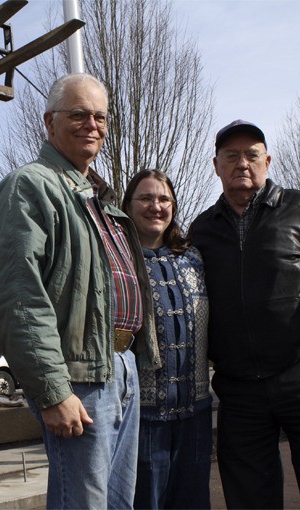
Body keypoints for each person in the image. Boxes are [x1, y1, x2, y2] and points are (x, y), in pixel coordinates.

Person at [0, 73, 161, 510]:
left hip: (120, 370)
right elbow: (18, 299)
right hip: (78, 380)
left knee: (118, 502)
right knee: (83, 503)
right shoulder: (30, 186)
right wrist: (52, 392)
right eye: (78, 114)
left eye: (100, 116)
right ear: (49, 122)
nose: (92, 124)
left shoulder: (99, 199)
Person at [189, 119, 300, 509]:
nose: (242, 163)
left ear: (267, 161)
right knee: (249, 499)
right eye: (231, 156)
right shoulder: (201, 231)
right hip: (240, 390)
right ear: (216, 165)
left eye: (252, 155)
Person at [122, 170, 212, 509]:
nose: (155, 206)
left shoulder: (194, 259)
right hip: (142, 416)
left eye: (163, 199)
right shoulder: (119, 260)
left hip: (196, 411)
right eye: (145, 198)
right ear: (128, 205)